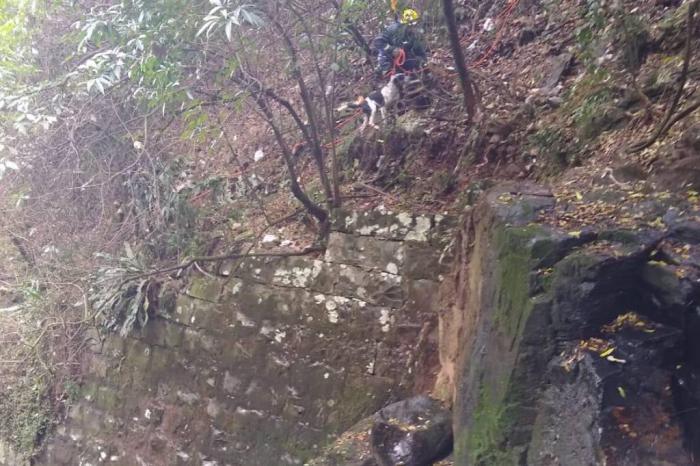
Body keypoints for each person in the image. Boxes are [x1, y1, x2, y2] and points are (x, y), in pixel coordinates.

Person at [373, 8, 428, 76]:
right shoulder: (393, 29)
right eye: (411, 25)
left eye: (415, 24)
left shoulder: (414, 36)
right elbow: (378, 42)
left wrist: (423, 62)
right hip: (387, 59)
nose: (413, 27)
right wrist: (392, 49)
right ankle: (383, 71)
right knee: (394, 77)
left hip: (403, 60)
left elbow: (421, 53)